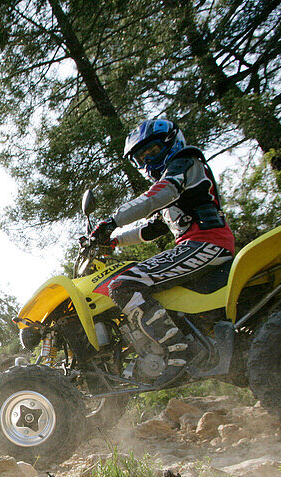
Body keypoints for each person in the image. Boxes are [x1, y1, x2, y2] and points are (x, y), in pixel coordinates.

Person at [89, 118, 235, 386]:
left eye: (152, 152)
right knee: (130, 281)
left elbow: (160, 193)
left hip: (207, 244)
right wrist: (114, 242)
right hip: (197, 245)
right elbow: (154, 228)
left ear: (171, 143)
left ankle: (181, 351)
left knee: (123, 285)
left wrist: (111, 221)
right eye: (141, 158)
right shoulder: (176, 189)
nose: (147, 162)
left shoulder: (186, 161)